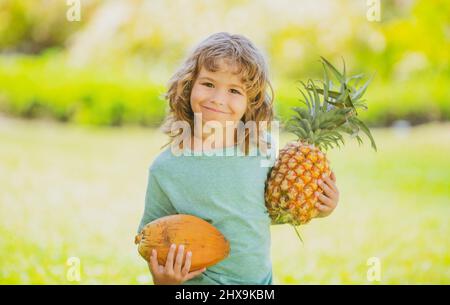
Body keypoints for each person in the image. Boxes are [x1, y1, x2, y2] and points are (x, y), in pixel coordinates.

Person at [137, 32, 339, 285]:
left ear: (251, 102)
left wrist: (321, 208)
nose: (218, 99)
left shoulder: (261, 149)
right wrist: (164, 280)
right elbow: (148, 239)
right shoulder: (166, 168)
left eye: (234, 90)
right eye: (208, 84)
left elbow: (262, 213)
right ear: (188, 86)